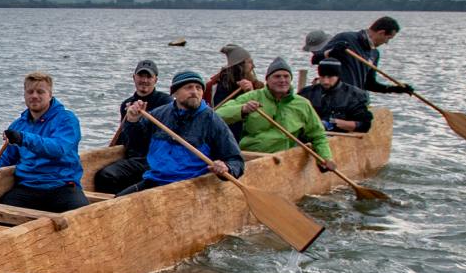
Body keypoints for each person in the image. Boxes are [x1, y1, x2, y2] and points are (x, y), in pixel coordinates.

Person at [117, 70, 245, 194]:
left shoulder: (212, 120)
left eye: (198, 88)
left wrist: (226, 167)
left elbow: (236, 160)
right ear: (175, 93)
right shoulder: (159, 115)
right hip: (156, 180)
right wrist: (132, 121)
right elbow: (136, 146)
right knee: (117, 203)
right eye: (188, 87)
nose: (194, 92)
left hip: (192, 185)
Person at [0, 71, 87, 212]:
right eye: (30, 92)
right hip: (27, 187)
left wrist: (23, 138)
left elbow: (58, 149)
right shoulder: (18, 125)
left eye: (40, 92)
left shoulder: (67, 119)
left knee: (81, 217)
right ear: (24, 95)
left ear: (50, 94)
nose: (34, 96)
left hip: (63, 186)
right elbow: (6, 159)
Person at [217, 58, 332, 166]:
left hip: (285, 159)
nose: (282, 80)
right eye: (277, 76)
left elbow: (318, 135)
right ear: (267, 79)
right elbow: (218, 115)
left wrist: (325, 158)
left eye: (286, 76)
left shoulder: (302, 104)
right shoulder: (252, 97)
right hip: (251, 157)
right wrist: (242, 109)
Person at [95, 58, 172, 194]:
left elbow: (164, 136)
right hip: (133, 157)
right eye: (141, 76)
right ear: (134, 77)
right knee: (101, 173)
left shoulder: (165, 102)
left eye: (149, 76)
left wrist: (138, 120)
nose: (144, 80)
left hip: (153, 157)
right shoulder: (127, 104)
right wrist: (108, 153)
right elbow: (124, 137)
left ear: (156, 80)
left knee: (106, 175)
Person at [315, 16, 408, 97]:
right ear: (381, 33)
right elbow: (315, 59)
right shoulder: (346, 38)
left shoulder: (374, 53)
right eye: (388, 38)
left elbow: (369, 84)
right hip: (337, 99)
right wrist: (333, 52)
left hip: (357, 101)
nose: (387, 42)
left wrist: (393, 89)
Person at [301, 58, 373, 134]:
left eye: (330, 77)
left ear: (338, 76)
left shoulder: (355, 96)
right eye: (322, 76)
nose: (325, 81)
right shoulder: (306, 93)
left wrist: (334, 123)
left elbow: (364, 125)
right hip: (310, 136)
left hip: (341, 138)